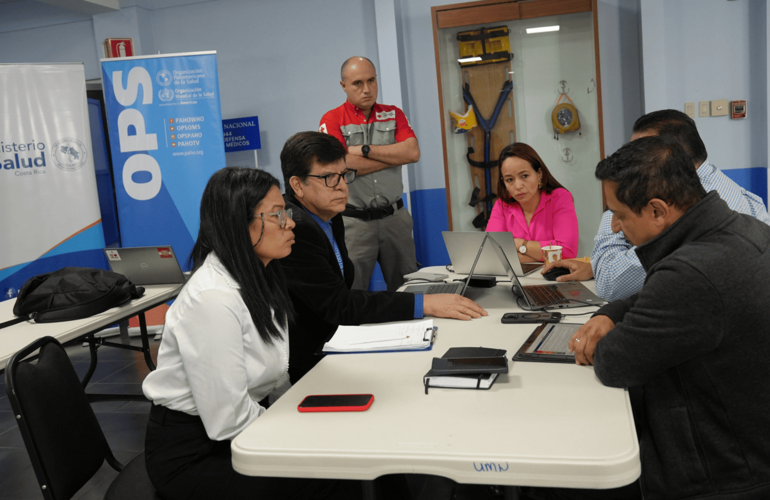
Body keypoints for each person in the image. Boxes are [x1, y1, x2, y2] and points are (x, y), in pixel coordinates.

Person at [527, 137, 770, 500]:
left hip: (718, 473)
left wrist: (607, 331)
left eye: (620, 215)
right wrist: (611, 312)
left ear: (657, 210)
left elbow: (614, 362)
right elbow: (657, 296)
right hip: (746, 439)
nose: (614, 228)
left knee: (550, 476)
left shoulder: (691, 272)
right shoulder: (745, 230)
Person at [141, 167, 368, 499]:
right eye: (277, 215)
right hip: (196, 454)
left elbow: (274, 380)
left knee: (350, 450)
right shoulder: (213, 299)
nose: (290, 223)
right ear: (239, 226)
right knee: (334, 472)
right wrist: (305, 434)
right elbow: (228, 422)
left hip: (242, 430)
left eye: (286, 212)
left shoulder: (262, 275)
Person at [279, 131, 486, 383]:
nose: (343, 186)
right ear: (297, 185)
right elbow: (339, 305)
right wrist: (425, 304)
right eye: (329, 178)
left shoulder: (329, 214)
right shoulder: (294, 228)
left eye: (344, 174)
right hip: (309, 364)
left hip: (335, 343)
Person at [542, 109, 770, 296]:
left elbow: (611, 283)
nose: (631, 161)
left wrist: (616, 206)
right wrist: (596, 266)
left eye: (641, 152)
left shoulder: (691, 212)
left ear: (670, 156)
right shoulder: (719, 187)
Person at [319, 56, 420, 292]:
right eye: (357, 83)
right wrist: (393, 157)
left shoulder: (394, 114)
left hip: (395, 220)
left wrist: (363, 151)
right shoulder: (332, 119)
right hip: (353, 224)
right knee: (351, 293)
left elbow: (413, 153)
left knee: (409, 290)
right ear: (343, 85)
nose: (367, 89)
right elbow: (340, 165)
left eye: (371, 81)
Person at [486, 143, 578, 261]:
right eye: (509, 180)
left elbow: (567, 251)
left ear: (539, 174)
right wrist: (540, 254)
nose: (518, 186)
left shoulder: (560, 197)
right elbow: (491, 251)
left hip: (552, 278)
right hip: (515, 277)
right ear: (503, 181)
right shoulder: (502, 205)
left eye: (524, 176)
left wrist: (519, 244)